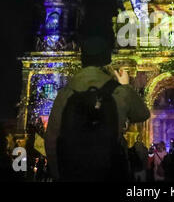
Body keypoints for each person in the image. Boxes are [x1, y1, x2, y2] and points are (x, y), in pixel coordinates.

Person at [45, 36, 150, 181]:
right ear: (107, 61)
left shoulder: (66, 93)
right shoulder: (118, 91)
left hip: (74, 173)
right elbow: (142, 114)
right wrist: (125, 86)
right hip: (109, 172)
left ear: (83, 60)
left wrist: (59, 175)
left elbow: (51, 139)